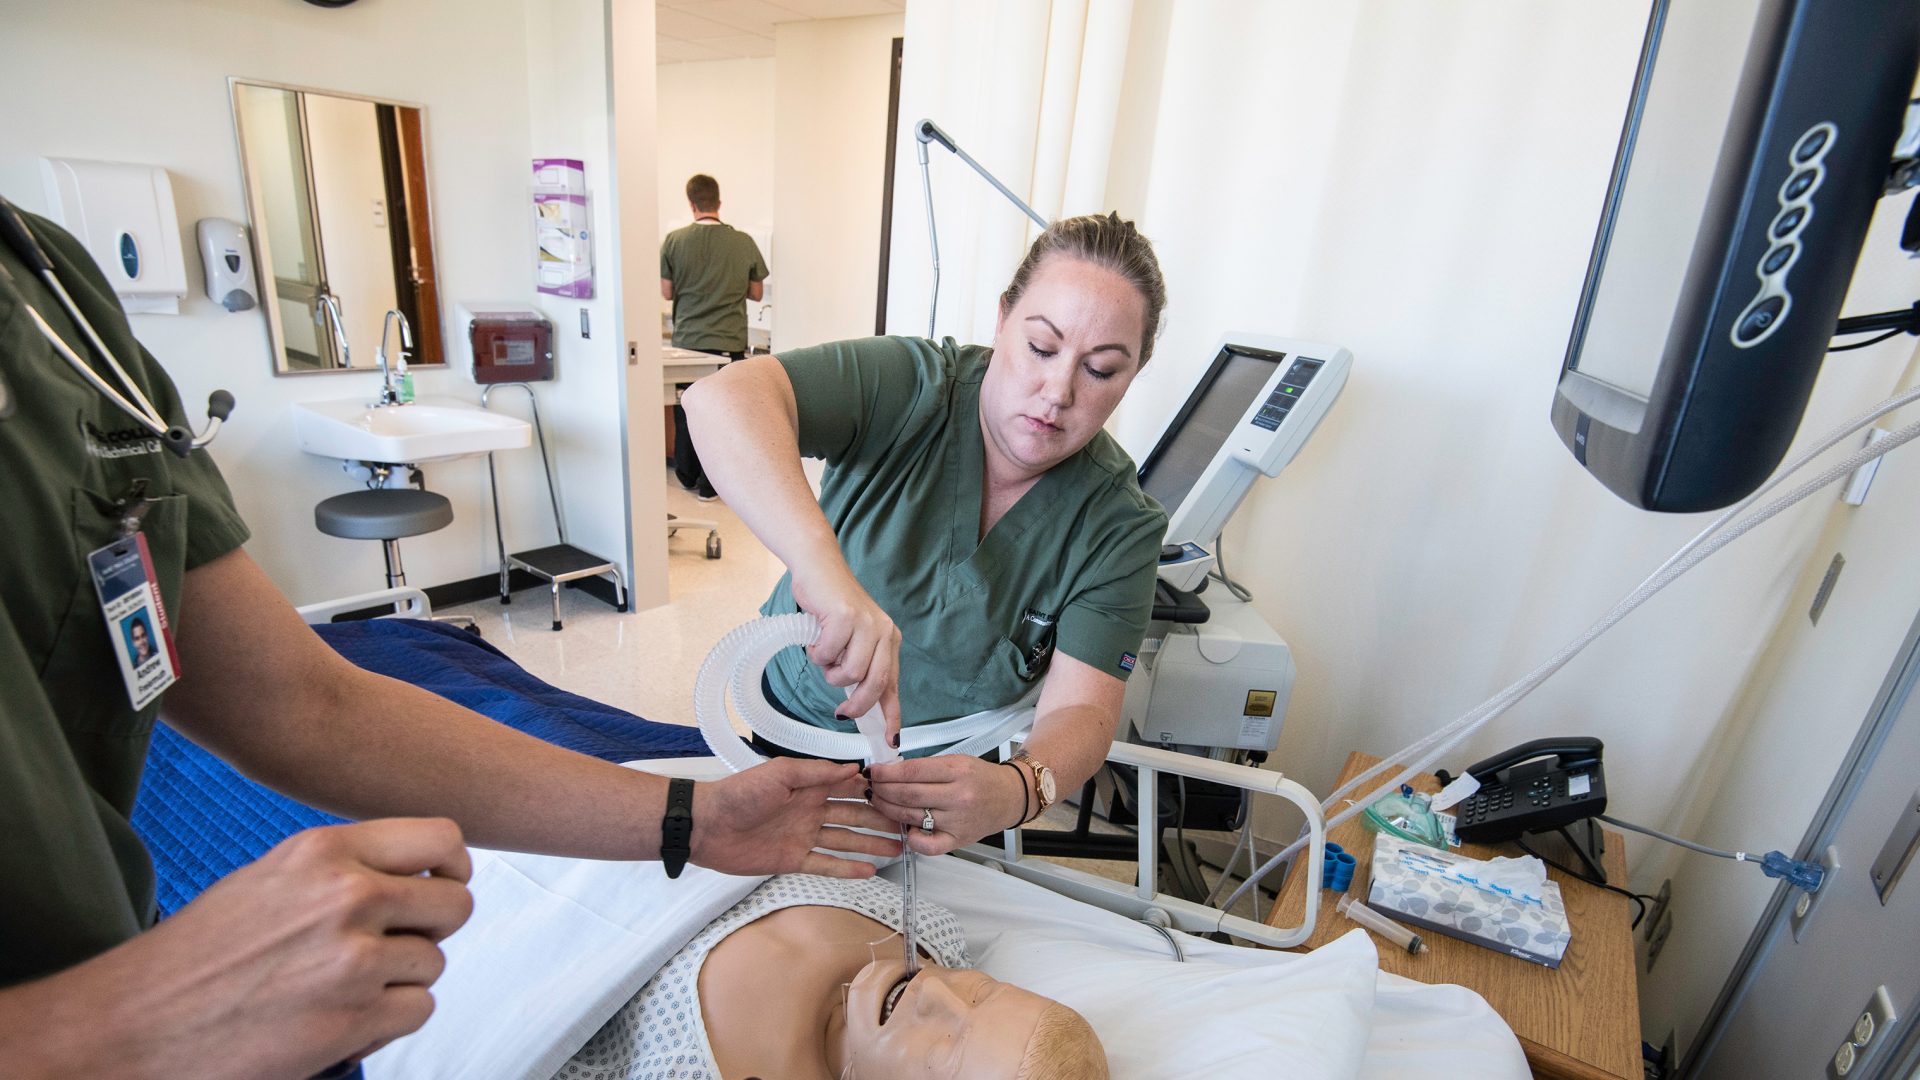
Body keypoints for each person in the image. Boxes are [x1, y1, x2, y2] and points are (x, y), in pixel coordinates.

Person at [0, 201, 897, 1079]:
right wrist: (122, 1020)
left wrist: (693, 818)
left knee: (459, 675)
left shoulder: (55, 300)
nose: (940, 1003)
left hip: (140, 956)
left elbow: (307, 703)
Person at [682, 213, 1171, 856]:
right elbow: (721, 399)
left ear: (1134, 373)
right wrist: (822, 572)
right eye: (1041, 348)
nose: (1058, 392)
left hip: (940, 786)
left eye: (1101, 370)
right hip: (794, 725)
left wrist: (1021, 789)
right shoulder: (914, 388)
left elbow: (1083, 710)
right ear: (1002, 319)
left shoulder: (1118, 526)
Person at [556, 873, 1107, 1079]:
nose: (934, 989)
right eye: (981, 992)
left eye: (946, 1051)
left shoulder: (683, 1070)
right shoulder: (930, 928)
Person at [661, 173, 769, 500]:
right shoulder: (743, 242)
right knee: (722, 415)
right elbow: (756, 292)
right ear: (718, 203)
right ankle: (712, 485)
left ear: (691, 204)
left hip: (688, 344)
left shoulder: (674, 241)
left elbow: (667, 292)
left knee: (686, 411)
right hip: (728, 343)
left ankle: (686, 475)